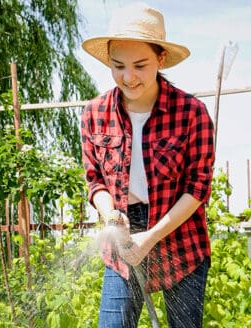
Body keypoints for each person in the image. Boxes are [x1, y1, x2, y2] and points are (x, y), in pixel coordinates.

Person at [80, 3, 215, 328]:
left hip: (179, 235)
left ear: (161, 59)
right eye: (118, 66)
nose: (128, 77)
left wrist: (151, 237)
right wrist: (110, 215)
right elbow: (95, 179)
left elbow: (197, 188)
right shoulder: (94, 113)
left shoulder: (191, 113)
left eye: (140, 65)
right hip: (124, 235)